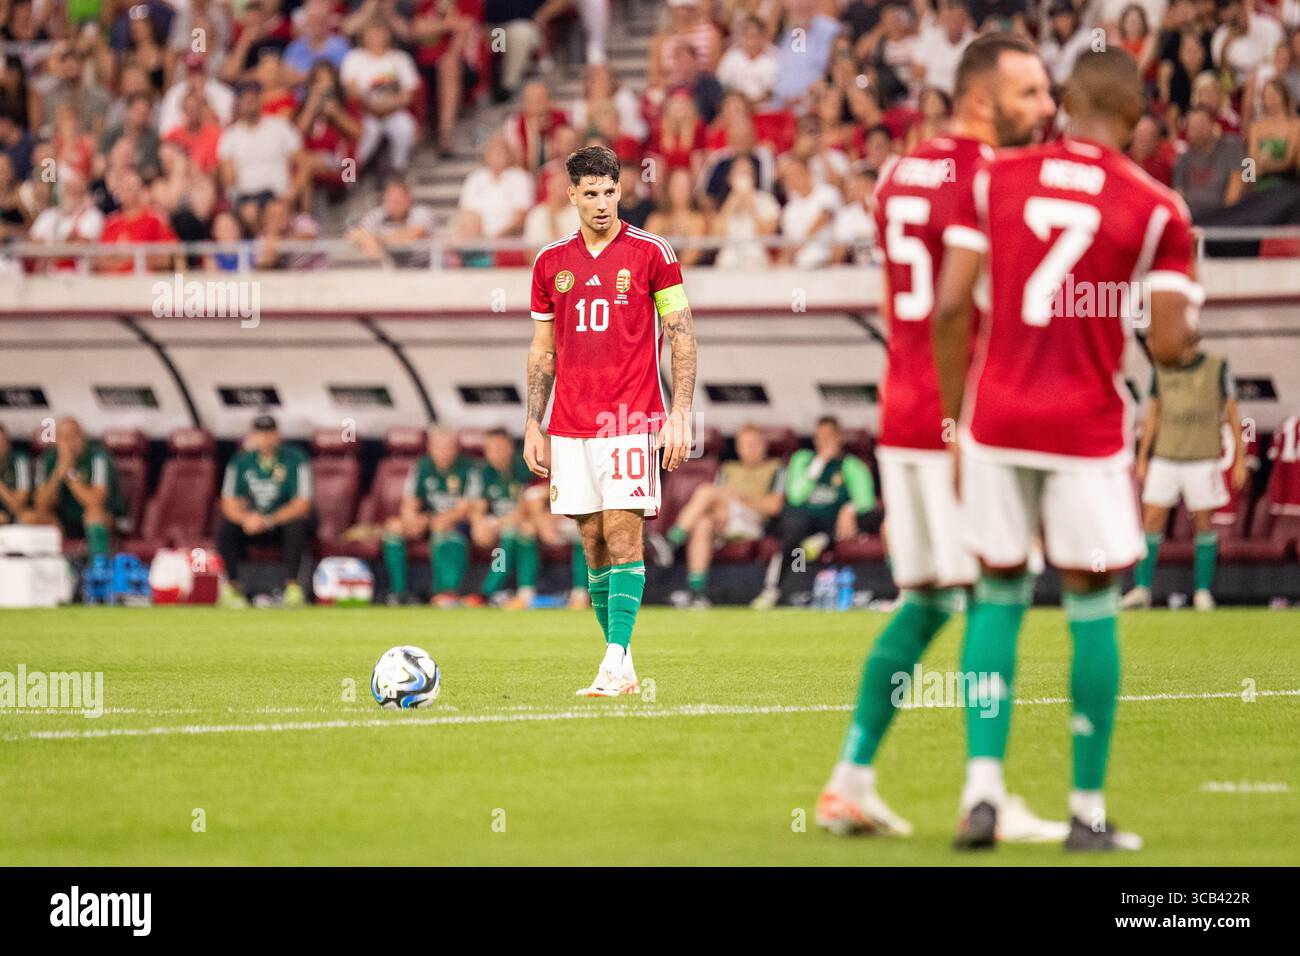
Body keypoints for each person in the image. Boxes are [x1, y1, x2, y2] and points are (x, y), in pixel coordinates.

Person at [932, 47, 1200, 851]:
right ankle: (1085, 809)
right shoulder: (1156, 208)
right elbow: (1175, 341)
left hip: (998, 417)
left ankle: (982, 794)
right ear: (1139, 118)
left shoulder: (992, 179)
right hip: (1085, 426)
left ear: (1066, 103)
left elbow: (950, 309)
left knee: (997, 589)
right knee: (1091, 602)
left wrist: (953, 423)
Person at [818, 32, 1062, 842]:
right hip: (960, 415)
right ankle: (984, 795)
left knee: (924, 600)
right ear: (981, 98)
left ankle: (849, 780)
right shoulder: (988, 175)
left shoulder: (899, 170)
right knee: (1000, 588)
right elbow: (965, 304)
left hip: (902, 411)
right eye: (1028, 94)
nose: (1046, 108)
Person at [524, 145, 697, 697]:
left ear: (621, 190)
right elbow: (543, 351)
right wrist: (534, 422)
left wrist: (681, 413)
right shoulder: (550, 262)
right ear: (571, 194)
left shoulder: (652, 252)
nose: (602, 203)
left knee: (624, 534)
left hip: (630, 416)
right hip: (570, 423)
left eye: (610, 192)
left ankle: (614, 658)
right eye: (590, 194)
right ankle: (620, 664)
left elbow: (681, 334)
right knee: (593, 540)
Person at [1125, 345, 1247, 610]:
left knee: (1204, 523)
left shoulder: (1218, 365)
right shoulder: (1161, 367)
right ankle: (1142, 588)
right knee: (1151, 520)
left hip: (1202, 457)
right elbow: (1153, 414)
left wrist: (1240, 457)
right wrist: (1143, 456)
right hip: (1165, 456)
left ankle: (1202, 591)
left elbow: (1233, 412)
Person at [651, 424, 784, 609]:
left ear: (764, 445)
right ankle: (697, 593)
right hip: (726, 519)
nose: (750, 449)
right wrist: (722, 509)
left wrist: (740, 498)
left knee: (705, 491)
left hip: (754, 521)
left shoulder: (776, 468)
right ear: (738, 447)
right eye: (745, 444)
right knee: (703, 522)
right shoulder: (729, 468)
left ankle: (671, 542)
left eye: (754, 444)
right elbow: (720, 500)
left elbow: (774, 506)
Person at [751, 416, 876, 610]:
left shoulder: (852, 465)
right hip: (804, 518)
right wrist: (819, 464)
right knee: (793, 528)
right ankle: (771, 589)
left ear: (839, 438)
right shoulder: (803, 459)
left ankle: (823, 539)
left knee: (862, 518)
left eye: (829, 437)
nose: (824, 442)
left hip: (833, 519)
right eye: (819, 437)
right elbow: (795, 496)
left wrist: (849, 508)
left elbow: (866, 501)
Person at [217, 415, 315, 608]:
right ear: (251, 436)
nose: (265, 438)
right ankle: (234, 587)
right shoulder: (240, 462)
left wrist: (268, 520)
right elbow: (228, 503)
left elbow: (302, 504)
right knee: (226, 528)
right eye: (260, 433)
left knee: (297, 524)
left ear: (278, 435)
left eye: (269, 433)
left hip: (281, 521)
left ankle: (292, 588)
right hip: (252, 522)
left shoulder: (296, 458)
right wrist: (246, 519)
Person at [382, 427, 480, 607]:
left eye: (448, 447)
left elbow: (467, 507)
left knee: (443, 528)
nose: (444, 452)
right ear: (430, 448)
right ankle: (399, 592)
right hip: (429, 519)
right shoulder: (422, 466)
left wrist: (439, 520)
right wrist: (411, 519)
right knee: (394, 527)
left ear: (456, 448)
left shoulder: (469, 468)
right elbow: (410, 501)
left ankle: (446, 592)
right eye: (440, 447)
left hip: (458, 523)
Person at [23, 417, 123, 558]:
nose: (68, 443)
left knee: (94, 514)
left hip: (100, 519)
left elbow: (95, 502)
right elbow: (40, 504)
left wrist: (70, 475)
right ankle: (48, 566)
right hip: (63, 521)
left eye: (72, 436)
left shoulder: (98, 458)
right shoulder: (47, 460)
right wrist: (58, 473)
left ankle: (98, 568)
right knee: (29, 517)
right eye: (63, 438)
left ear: (82, 437)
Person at [468, 429, 541, 609]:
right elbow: (477, 508)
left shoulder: (525, 467)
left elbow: (527, 507)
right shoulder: (482, 472)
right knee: (507, 535)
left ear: (510, 448)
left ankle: (491, 591)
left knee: (517, 533)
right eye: (491, 449)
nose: (496, 454)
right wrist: (479, 524)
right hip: (495, 523)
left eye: (500, 448)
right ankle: (505, 591)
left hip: (521, 521)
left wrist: (501, 524)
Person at [0, 423, 32, 525]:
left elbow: (17, 506)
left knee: (27, 517)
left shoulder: (20, 461)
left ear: (8, 444)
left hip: (15, 516)